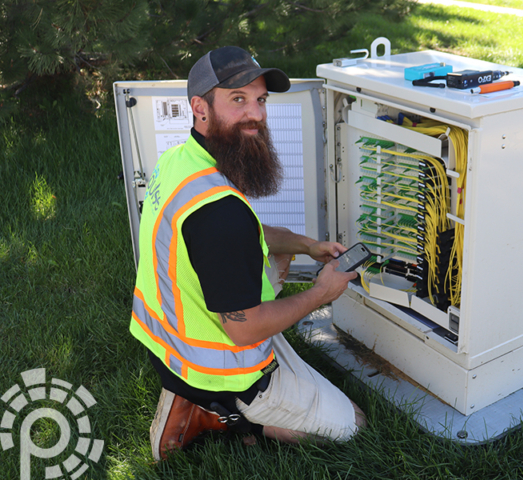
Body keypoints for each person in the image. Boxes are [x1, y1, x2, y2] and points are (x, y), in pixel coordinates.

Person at [129, 46, 366, 461]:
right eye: (237, 100)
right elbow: (242, 329)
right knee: (353, 426)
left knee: (270, 267)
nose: (255, 114)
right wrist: (320, 294)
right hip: (216, 367)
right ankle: (225, 414)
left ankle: (194, 397)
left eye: (260, 100)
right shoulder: (220, 214)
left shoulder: (180, 161)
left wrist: (307, 245)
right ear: (200, 107)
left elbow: (248, 235)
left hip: (169, 340)